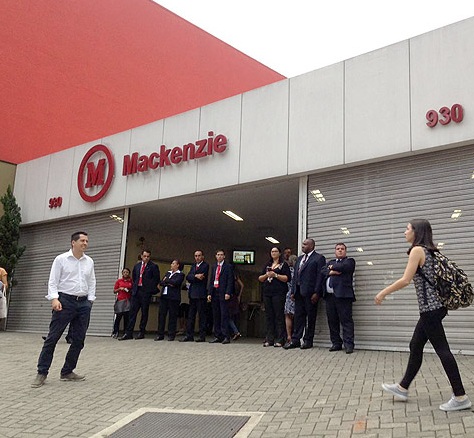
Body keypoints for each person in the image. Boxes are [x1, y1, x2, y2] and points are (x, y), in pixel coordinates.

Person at [375, 219, 471, 412]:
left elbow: (405, 280)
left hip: (430, 310)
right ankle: (402, 387)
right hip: (435, 308)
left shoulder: (417, 250)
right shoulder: (431, 251)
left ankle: (460, 397)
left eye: (407, 229)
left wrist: (383, 292)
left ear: (416, 232)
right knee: (416, 345)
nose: (404, 232)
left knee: (443, 350)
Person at [31, 231, 96, 388]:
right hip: (65, 301)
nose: (85, 243)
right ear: (73, 242)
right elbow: (53, 281)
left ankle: (67, 371)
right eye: (82, 241)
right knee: (52, 338)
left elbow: (92, 281)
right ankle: (42, 372)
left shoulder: (89, 261)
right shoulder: (61, 259)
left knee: (79, 340)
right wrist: (54, 298)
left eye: (87, 241)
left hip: (83, 304)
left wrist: (90, 301)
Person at [284, 238, 326, 350]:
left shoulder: (319, 258)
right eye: (303, 244)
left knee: (310, 318)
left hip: (310, 293)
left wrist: (317, 292)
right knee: (298, 317)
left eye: (305, 244)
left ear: (312, 246)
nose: (303, 246)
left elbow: (320, 276)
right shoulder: (300, 258)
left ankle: (308, 340)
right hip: (298, 293)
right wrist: (293, 291)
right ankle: (295, 340)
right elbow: (295, 276)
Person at [118, 249, 160, 340]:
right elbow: (134, 277)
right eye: (144, 256)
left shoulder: (153, 266)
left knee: (144, 313)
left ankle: (142, 332)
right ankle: (128, 333)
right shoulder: (137, 266)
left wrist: (149, 289)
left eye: (148, 256)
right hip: (137, 291)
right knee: (132, 312)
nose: (146, 258)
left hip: (145, 292)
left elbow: (156, 279)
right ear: (141, 256)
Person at [322, 243, 356, 354]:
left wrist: (331, 268)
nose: (340, 250)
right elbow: (322, 271)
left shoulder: (349, 261)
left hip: (343, 296)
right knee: (332, 321)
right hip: (330, 297)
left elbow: (344, 267)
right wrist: (331, 271)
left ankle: (349, 345)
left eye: (342, 249)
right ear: (335, 251)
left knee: (346, 321)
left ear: (345, 251)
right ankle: (336, 343)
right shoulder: (331, 262)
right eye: (338, 249)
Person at [258, 247, 291, 347]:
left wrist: (275, 275)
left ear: (279, 253)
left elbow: (287, 278)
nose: (273, 253)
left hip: (279, 293)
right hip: (267, 293)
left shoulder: (283, 265)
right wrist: (267, 275)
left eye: (276, 251)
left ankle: (280, 339)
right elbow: (260, 278)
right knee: (269, 316)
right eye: (272, 251)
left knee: (279, 316)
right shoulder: (267, 265)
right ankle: (269, 339)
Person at [182, 250, 209, 342]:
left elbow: (201, 277)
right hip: (192, 294)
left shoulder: (205, 265)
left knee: (201, 316)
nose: (197, 257)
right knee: (191, 316)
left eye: (199, 255)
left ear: (202, 257)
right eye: (196, 256)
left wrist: (193, 276)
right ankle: (189, 335)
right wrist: (195, 276)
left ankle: (202, 336)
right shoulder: (193, 266)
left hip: (201, 294)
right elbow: (188, 277)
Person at [207, 249, 234, 344]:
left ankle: (226, 336)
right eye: (218, 255)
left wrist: (228, 292)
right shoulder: (214, 266)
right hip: (215, 291)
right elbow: (212, 280)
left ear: (224, 256)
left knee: (224, 314)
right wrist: (209, 293)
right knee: (216, 315)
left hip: (223, 292)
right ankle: (217, 335)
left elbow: (230, 280)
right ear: (216, 256)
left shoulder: (228, 267)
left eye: (221, 255)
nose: (219, 256)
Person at [155, 259, 185, 341]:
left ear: (177, 265)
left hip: (173, 298)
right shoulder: (168, 273)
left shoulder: (180, 274)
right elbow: (161, 282)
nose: (171, 264)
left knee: (172, 316)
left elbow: (176, 283)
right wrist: (168, 282)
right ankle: (160, 334)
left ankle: (171, 334)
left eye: (173, 263)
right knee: (161, 315)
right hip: (164, 297)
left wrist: (167, 281)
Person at [111, 268, 132, 338]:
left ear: (129, 273)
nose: (125, 273)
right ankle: (115, 331)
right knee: (118, 316)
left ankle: (126, 332)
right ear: (122, 273)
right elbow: (114, 291)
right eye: (124, 272)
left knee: (127, 317)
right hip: (120, 300)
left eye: (127, 272)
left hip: (128, 300)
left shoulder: (131, 281)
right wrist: (120, 289)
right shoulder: (119, 281)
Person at [284, 254, 297, 346]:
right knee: (297, 316)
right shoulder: (297, 271)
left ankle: (289, 336)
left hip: (288, 295)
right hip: (297, 294)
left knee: (288, 315)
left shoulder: (288, 271)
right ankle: (296, 335)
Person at [228, 268, 244, 341]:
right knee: (232, 316)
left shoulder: (229, 278)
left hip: (229, 298)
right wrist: (239, 296)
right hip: (235, 297)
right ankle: (234, 331)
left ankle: (235, 331)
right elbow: (242, 285)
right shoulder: (236, 277)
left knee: (227, 316)